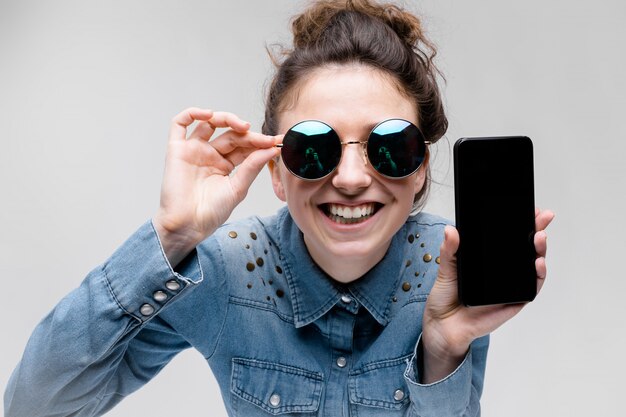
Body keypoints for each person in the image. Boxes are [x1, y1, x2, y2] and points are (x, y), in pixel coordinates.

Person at [4, 0, 554, 416]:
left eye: (390, 147)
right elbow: (36, 404)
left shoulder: (450, 268)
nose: (352, 177)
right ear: (275, 170)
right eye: (313, 148)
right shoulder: (222, 271)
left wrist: (442, 350)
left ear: (421, 170)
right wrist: (169, 236)